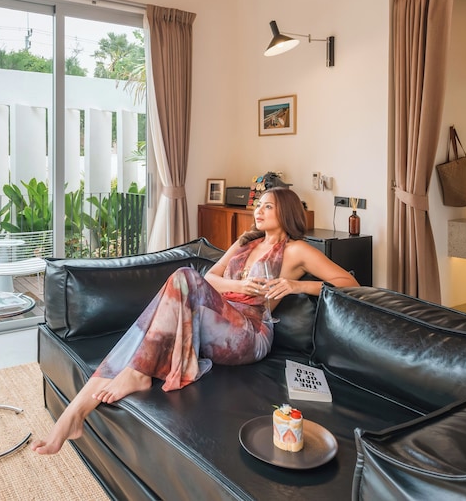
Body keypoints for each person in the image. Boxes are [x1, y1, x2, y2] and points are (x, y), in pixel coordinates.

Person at [30, 187, 358, 455]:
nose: (258, 210)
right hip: (218, 322)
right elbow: (210, 277)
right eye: (258, 204)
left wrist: (296, 286)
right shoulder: (246, 243)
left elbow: (350, 283)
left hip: (250, 333)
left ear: (286, 211)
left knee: (183, 277)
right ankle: (74, 415)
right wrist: (241, 285)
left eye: (268, 206)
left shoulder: (297, 250)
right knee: (145, 328)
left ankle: (136, 374)